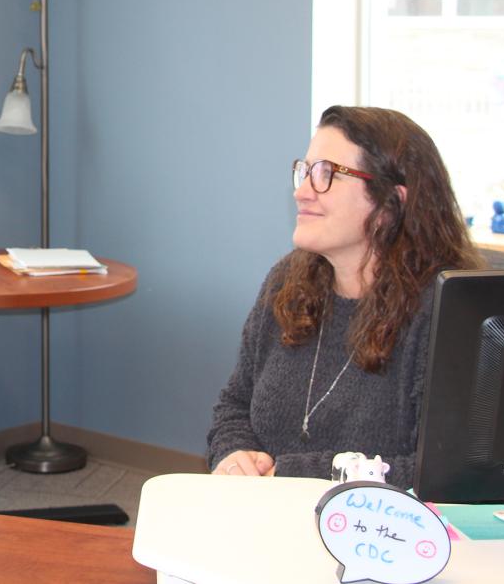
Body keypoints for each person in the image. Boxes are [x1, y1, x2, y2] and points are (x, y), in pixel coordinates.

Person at [206, 105, 481, 488]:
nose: (302, 192)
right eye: (305, 171)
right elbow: (234, 405)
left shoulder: (444, 314)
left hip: (377, 537)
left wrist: (289, 476)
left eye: (326, 175)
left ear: (390, 202)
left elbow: (445, 473)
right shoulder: (287, 282)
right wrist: (234, 454)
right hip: (263, 517)